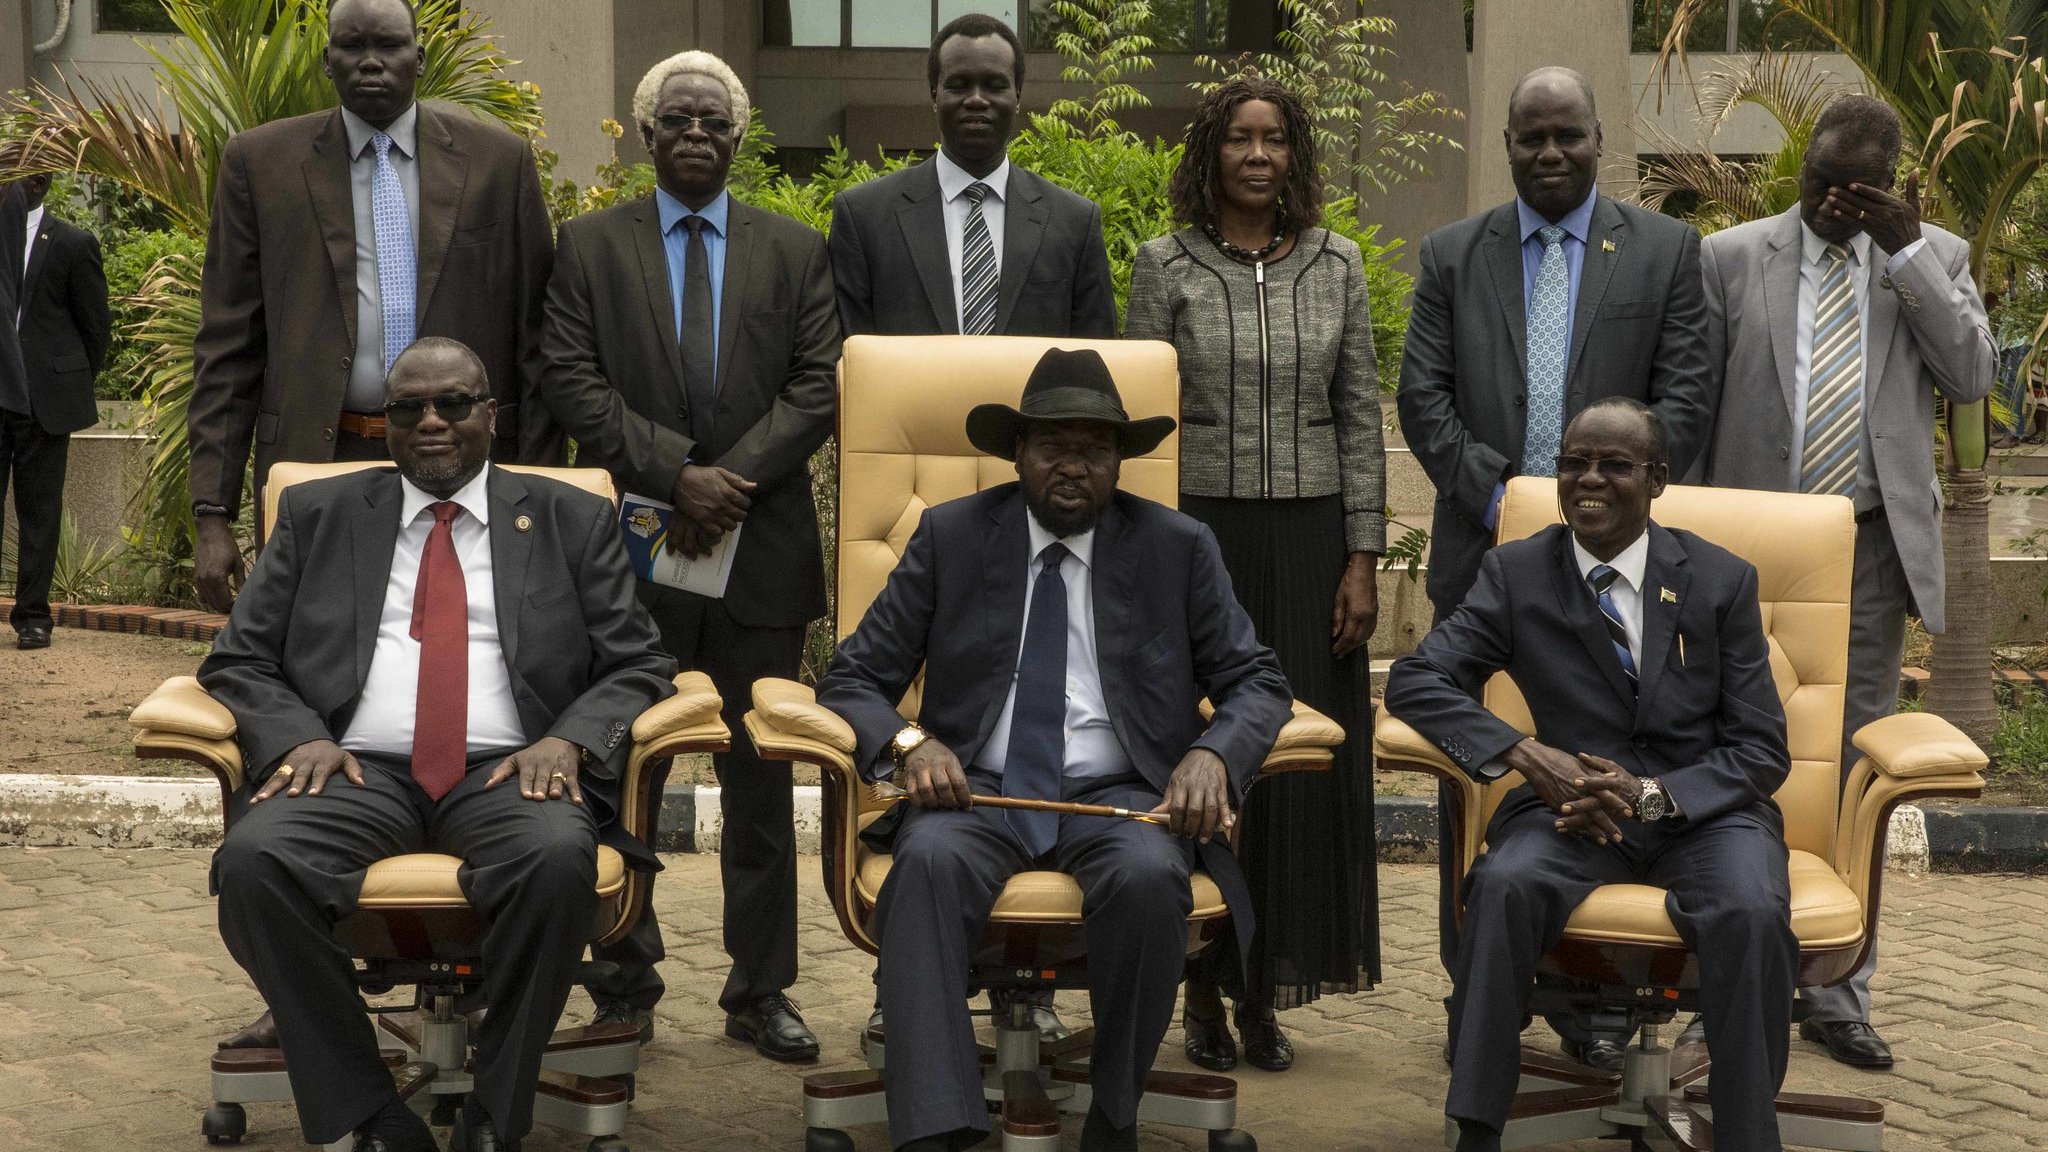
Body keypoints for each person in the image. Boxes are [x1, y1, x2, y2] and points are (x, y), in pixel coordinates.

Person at [201, 337, 677, 1152]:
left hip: (508, 770)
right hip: (354, 770)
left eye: (452, 403)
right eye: (407, 408)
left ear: (490, 414)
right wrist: (298, 736)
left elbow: (639, 661)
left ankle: (495, 1112)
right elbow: (238, 658)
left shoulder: (570, 517)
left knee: (558, 860)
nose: (431, 421)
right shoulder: (320, 516)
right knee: (253, 864)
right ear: (383, 424)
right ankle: (369, 1112)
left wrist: (568, 739)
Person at [814, 347, 1293, 1152]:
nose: (1074, 466)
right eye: (1053, 447)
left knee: (1148, 876)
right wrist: (908, 742)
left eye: (1095, 449)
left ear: (1120, 460)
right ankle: (940, 1130)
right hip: (978, 790)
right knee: (925, 868)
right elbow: (854, 676)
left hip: (1123, 793)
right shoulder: (952, 537)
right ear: (1017, 454)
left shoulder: (1178, 547)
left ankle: (1114, 1116)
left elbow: (1257, 681)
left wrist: (1214, 753)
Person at [1395, 65, 1715, 1068]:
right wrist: (1506, 502)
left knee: (1613, 757)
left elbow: (1685, 401)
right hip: (1486, 559)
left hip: (1625, 566)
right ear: (1505, 145)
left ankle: (1596, 991)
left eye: (1565, 136)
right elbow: (1423, 397)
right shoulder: (1453, 254)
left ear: (1595, 142)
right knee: (1479, 777)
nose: (1547, 153)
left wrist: (1597, 511)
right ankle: (1478, 997)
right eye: (1528, 137)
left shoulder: (1663, 250)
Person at [1385, 398, 1797, 1152]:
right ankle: (1474, 1128)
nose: (1589, 480)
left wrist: (1655, 795)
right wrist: (1524, 753)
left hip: (1700, 813)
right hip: (1570, 811)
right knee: (1506, 885)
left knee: (1750, 909)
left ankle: (1746, 1133)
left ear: (1658, 480)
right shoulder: (1516, 572)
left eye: (1614, 465)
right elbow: (1416, 681)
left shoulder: (1718, 580)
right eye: (1574, 462)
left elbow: (1762, 749)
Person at [539, 50, 840, 1062]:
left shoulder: (795, 250)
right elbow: (569, 377)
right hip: (627, 552)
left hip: (761, 552)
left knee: (762, 782)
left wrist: (728, 482)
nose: (698, 134)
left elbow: (816, 385)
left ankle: (760, 991)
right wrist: (675, 475)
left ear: (740, 134)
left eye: (716, 119)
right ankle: (622, 978)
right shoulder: (585, 247)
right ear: (648, 132)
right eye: (679, 120)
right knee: (622, 771)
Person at [1700, 93, 1995, 1069]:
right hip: (1743, 551)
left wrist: (1905, 254)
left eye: (1851, 188)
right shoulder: (1732, 256)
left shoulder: (1932, 260)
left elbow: (1968, 378)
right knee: (1726, 751)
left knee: (1847, 767)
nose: (1828, 200)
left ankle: (1836, 989)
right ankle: (1720, 975)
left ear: (1885, 185)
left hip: (1864, 555)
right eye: (1814, 181)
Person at [1123, 75, 1383, 1073]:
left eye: (1275, 139)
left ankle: (1267, 990)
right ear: (1209, 153)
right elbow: (1142, 425)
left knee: (1296, 776)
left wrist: (1361, 556)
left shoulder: (1339, 265)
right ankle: (1197, 983)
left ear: (1295, 154)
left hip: (1314, 545)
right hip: (1199, 542)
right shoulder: (1165, 265)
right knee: (1200, 761)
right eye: (1239, 138)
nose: (1257, 155)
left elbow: (1359, 417)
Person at [188, 0, 558, 618]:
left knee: (461, 644)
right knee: (320, 644)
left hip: (465, 462)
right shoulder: (260, 163)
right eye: (351, 47)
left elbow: (537, 341)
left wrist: (540, 491)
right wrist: (212, 513)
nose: (369, 63)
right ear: (326, 59)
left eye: (387, 47)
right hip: (319, 461)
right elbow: (228, 346)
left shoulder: (500, 161)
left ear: (418, 56)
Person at [827, 13, 1116, 339]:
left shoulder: (1074, 223)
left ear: (1018, 96)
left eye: (995, 85)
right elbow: (850, 362)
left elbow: (1097, 360)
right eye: (959, 84)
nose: (977, 99)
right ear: (934, 94)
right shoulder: (863, 217)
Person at [3, 172, 109, 649]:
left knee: (40, 512)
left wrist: (66, 379)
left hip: (45, 400)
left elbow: (95, 329)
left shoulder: (72, 242)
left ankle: (32, 616)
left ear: (43, 184)